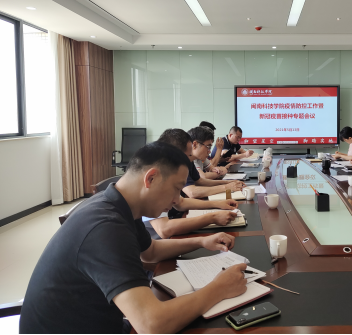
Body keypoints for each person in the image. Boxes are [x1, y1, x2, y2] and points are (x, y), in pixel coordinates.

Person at [20, 142, 247, 334]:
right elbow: (151, 324)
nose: (177, 200)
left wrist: (201, 241)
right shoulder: (106, 227)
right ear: (151, 178)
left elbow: (150, 252)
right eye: (176, 189)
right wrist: (219, 288)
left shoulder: (120, 204)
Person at [137, 128, 240, 239]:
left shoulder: (168, 170)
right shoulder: (155, 177)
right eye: (187, 157)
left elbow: (180, 202)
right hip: (159, 240)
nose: (188, 161)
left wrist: (218, 204)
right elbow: (164, 229)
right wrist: (212, 217)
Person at [184, 126, 246, 198]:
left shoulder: (191, 161)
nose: (209, 151)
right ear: (195, 145)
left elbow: (200, 181)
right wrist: (227, 187)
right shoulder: (183, 161)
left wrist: (228, 182)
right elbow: (192, 192)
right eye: (208, 147)